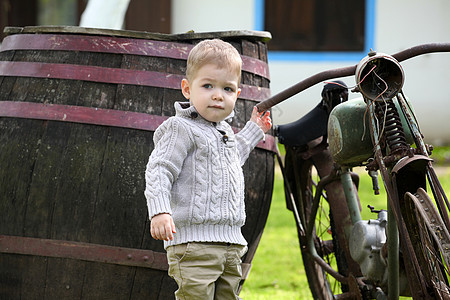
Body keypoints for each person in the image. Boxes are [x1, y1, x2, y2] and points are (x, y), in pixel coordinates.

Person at [144, 39, 272, 300]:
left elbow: (232, 158)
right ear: (187, 89)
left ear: (237, 95)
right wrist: (159, 210)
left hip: (231, 243)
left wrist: (254, 130)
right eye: (208, 86)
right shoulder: (181, 128)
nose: (217, 95)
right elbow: (159, 169)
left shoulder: (223, 130)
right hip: (193, 245)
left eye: (227, 89)